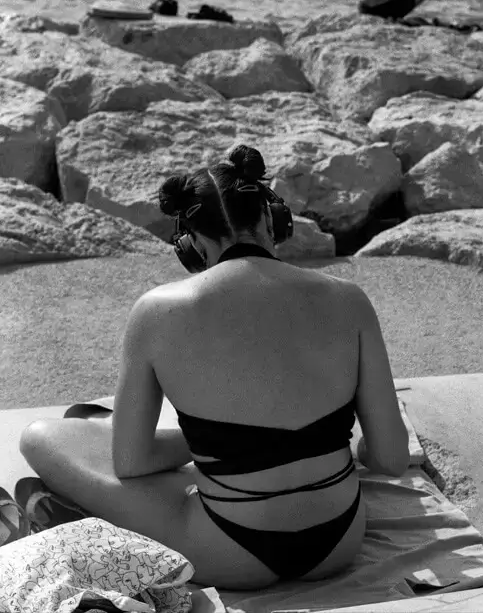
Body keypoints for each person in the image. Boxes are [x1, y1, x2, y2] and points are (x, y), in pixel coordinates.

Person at [19, 144, 409, 590]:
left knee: (42, 436)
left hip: (230, 552)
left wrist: (220, 444)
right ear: (271, 220)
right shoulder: (348, 299)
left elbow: (131, 463)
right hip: (340, 543)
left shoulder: (158, 310)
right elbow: (391, 459)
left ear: (193, 244)